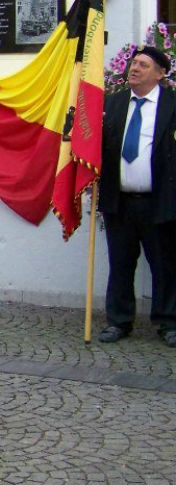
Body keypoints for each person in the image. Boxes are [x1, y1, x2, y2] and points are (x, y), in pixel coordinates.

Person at [98, 45, 176, 348]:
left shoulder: (171, 105)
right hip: (120, 202)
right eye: (133, 63)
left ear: (159, 73)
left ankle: (168, 321)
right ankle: (119, 321)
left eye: (143, 65)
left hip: (159, 202)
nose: (135, 68)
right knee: (120, 264)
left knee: (165, 264)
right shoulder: (114, 103)